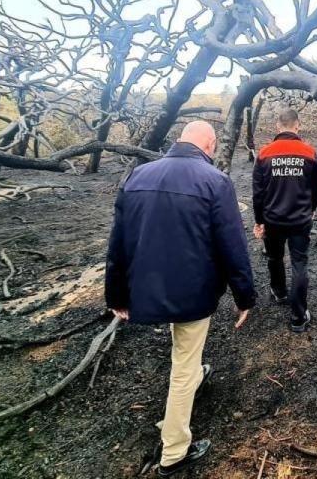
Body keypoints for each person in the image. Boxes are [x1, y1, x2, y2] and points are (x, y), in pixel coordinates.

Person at [104, 120, 256, 476]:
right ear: (210, 143)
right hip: (193, 292)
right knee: (183, 365)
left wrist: (116, 294)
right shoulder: (215, 181)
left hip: (149, 288)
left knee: (185, 354)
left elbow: (117, 245)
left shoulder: (137, 176)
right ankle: (174, 451)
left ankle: (198, 378)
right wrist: (245, 296)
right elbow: (233, 246)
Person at [252, 108, 317, 332]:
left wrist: (259, 220)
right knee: (299, 263)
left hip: (272, 220)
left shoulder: (264, 153)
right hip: (300, 220)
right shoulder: (309, 152)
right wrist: (311, 209)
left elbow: (258, 193)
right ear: (297, 125)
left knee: (274, 257)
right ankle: (298, 317)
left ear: (277, 126)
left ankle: (279, 292)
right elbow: (316, 188)